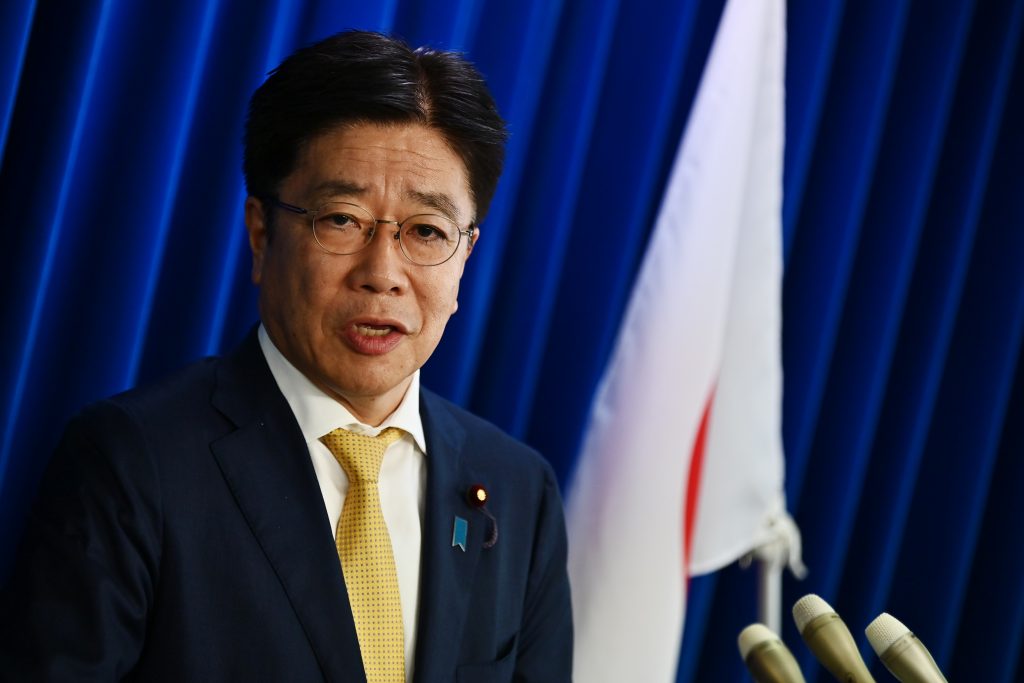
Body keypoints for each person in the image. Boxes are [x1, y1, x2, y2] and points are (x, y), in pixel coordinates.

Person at [0, 30, 572, 682]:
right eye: (342, 219)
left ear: (465, 255)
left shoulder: (519, 490)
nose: (382, 273)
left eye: (426, 231)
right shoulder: (134, 463)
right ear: (261, 232)